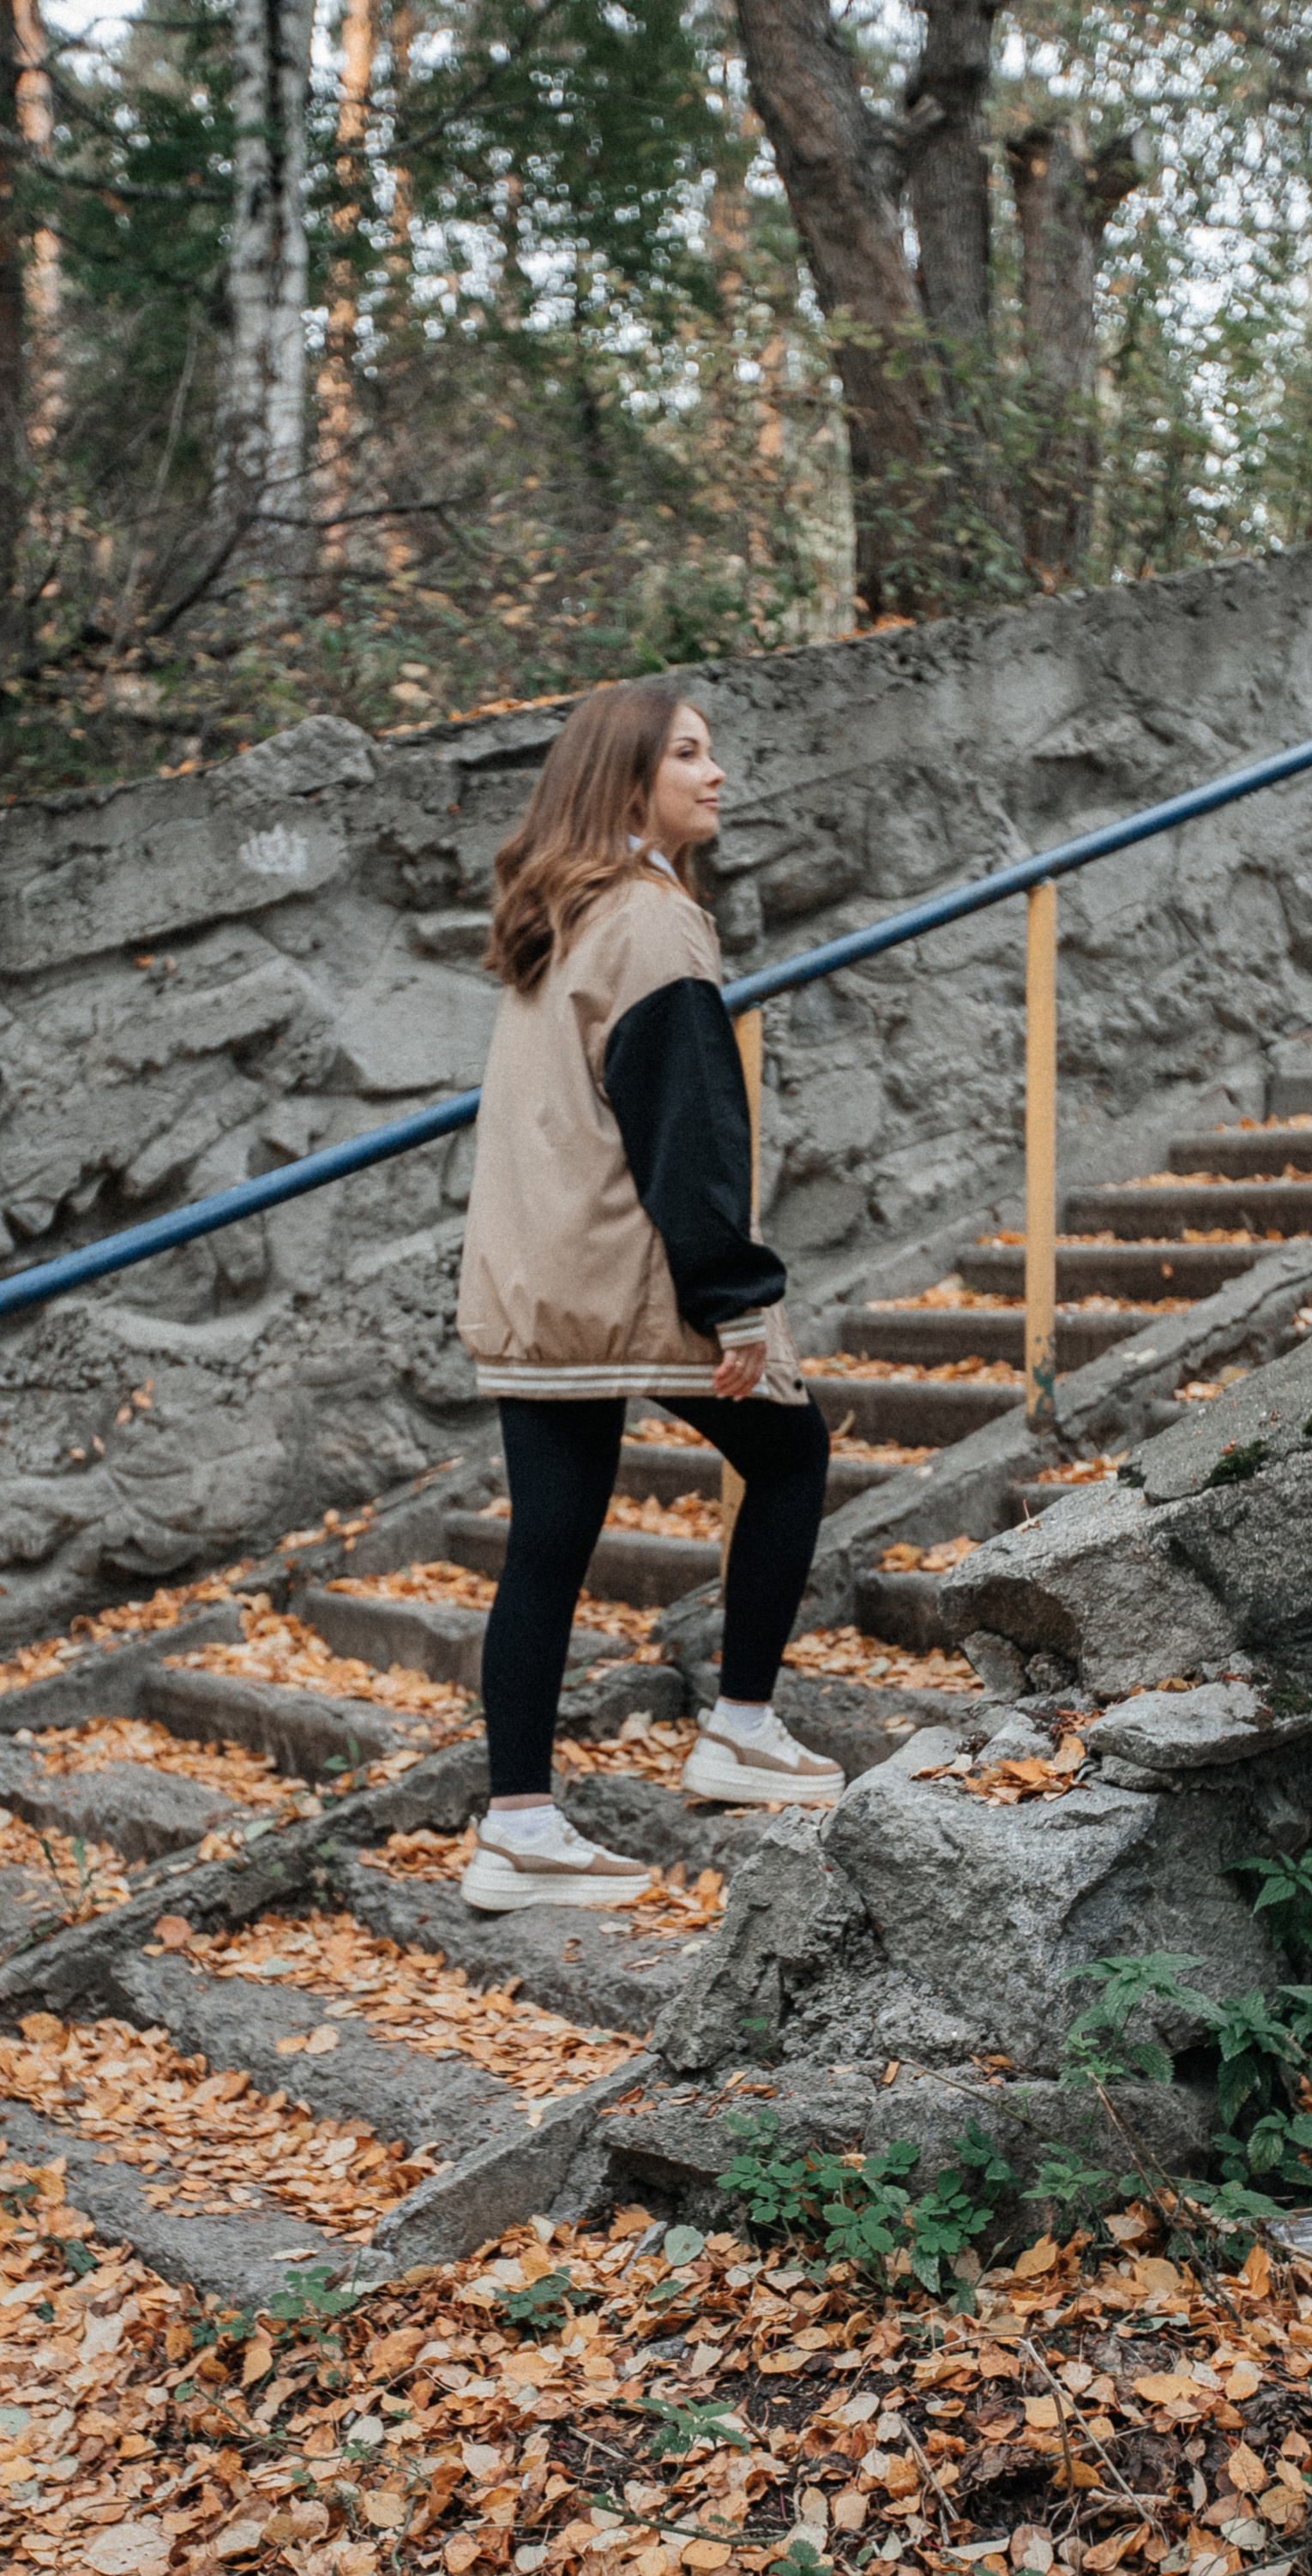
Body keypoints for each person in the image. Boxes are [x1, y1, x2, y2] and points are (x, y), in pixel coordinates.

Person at [454, 681, 841, 1912]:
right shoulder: (655, 925)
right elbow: (690, 1131)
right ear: (628, 781)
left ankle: (517, 1822)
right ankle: (739, 1726)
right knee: (791, 1453)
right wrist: (736, 1297)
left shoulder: (550, 917)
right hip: (622, 1269)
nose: (715, 774)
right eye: (686, 754)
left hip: (529, 1279)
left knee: (549, 1542)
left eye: (712, 752)